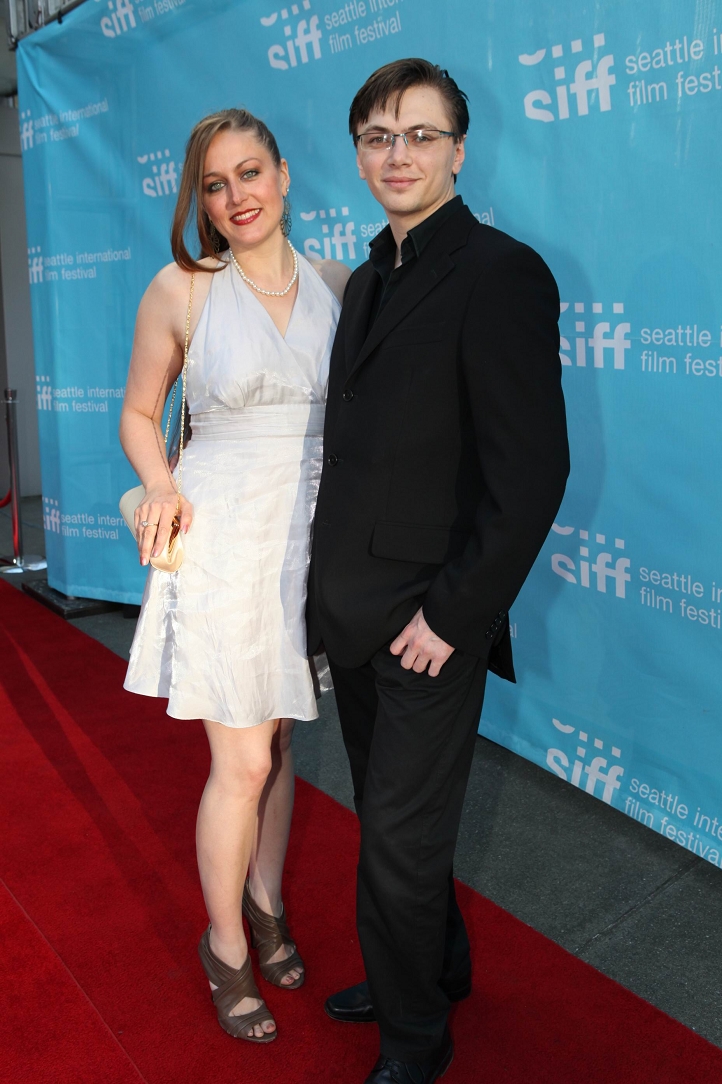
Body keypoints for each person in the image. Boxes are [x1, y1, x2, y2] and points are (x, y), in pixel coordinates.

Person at [307, 59, 570, 1083]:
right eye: (376, 135)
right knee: (388, 822)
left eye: (419, 135)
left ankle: (413, 1040)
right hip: (356, 610)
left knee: (398, 848)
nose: (395, 154)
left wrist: (452, 618)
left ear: (459, 150)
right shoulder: (370, 275)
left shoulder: (500, 272)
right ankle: (430, 966)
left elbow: (530, 473)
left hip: (426, 622)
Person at [119, 108, 349, 1044]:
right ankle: (227, 948)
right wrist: (159, 483)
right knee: (243, 759)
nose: (235, 198)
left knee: (283, 743)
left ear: (285, 176)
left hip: (314, 539)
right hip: (221, 540)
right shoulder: (182, 289)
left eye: (249, 174)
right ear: (199, 201)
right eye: (214, 185)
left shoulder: (339, 282)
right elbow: (139, 412)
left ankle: (266, 904)